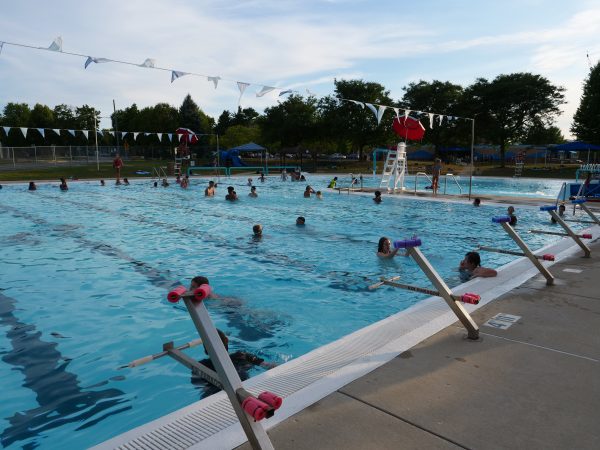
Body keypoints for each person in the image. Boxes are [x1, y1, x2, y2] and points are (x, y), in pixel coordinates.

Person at [191, 328, 276, 396]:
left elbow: (198, 385)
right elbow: (269, 366)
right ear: (227, 341)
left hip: (215, 395)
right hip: (246, 391)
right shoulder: (242, 356)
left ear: (205, 350)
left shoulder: (201, 366)